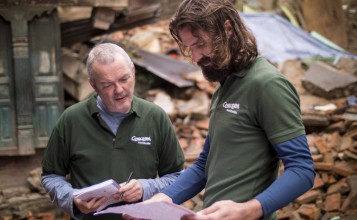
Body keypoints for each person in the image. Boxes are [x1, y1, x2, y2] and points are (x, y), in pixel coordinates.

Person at [146, 0, 315, 219]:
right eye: (190, 48)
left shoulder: (267, 84)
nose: (196, 58)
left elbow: (302, 169)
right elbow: (204, 165)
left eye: (200, 44)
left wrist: (248, 210)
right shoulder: (224, 89)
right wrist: (163, 199)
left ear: (227, 30)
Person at [41, 42, 185, 220]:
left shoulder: (156, 117)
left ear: (133, 71)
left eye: (124, 79)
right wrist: (72, 198)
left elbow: (177, 177)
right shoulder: (71, 120)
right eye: (108, 85)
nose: (119, 90)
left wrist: (145, 188)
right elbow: (51, 175)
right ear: (93, 85)